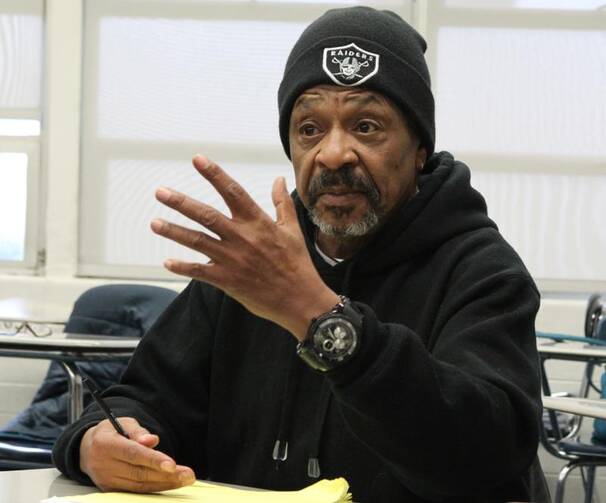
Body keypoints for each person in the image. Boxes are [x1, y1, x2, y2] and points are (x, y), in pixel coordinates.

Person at [52, 6, 550, 502]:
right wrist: (97, 441)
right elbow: (147, 401)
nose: (333, 154)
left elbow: (490, 454)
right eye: (309, 128)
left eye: (368, 126)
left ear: (419, 148)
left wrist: (318, 317)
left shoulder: (482, 270)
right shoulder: (250, 265)